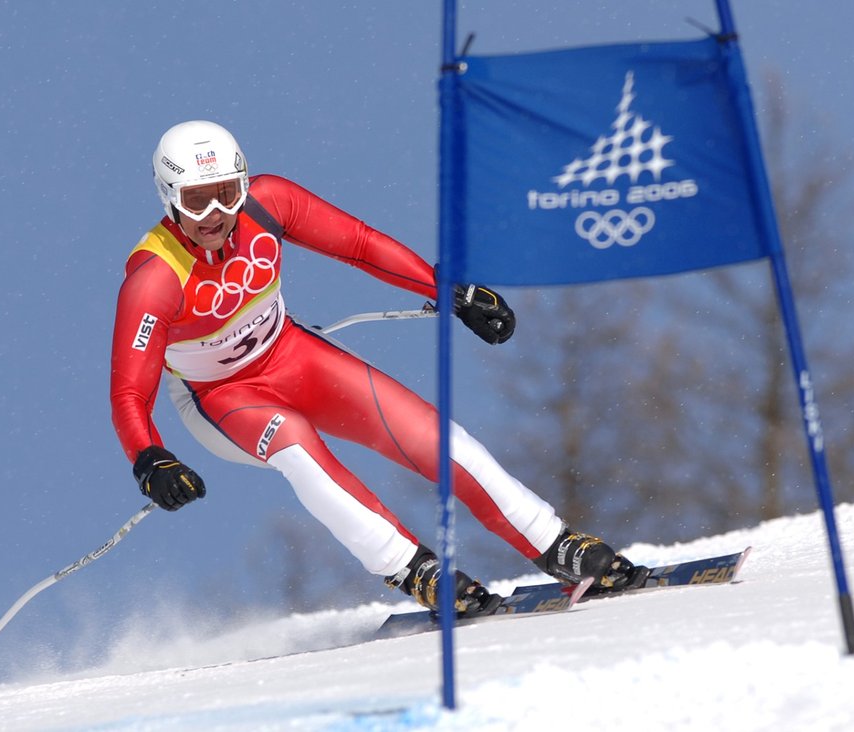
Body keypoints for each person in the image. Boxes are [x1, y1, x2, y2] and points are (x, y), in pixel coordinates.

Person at [110, 120, 637, 618]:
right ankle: (413, 569)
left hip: (291, 356)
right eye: (195, 201)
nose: (215, 215)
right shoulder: (154, 278)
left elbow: (359, 245)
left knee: (423, 431)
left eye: (226, 192)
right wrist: (150, 460)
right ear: (168, 197)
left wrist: (449, 292)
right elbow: (130, 392)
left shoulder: (269, 204)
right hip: (221, 399)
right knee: (294, 443)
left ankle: (554, 543)